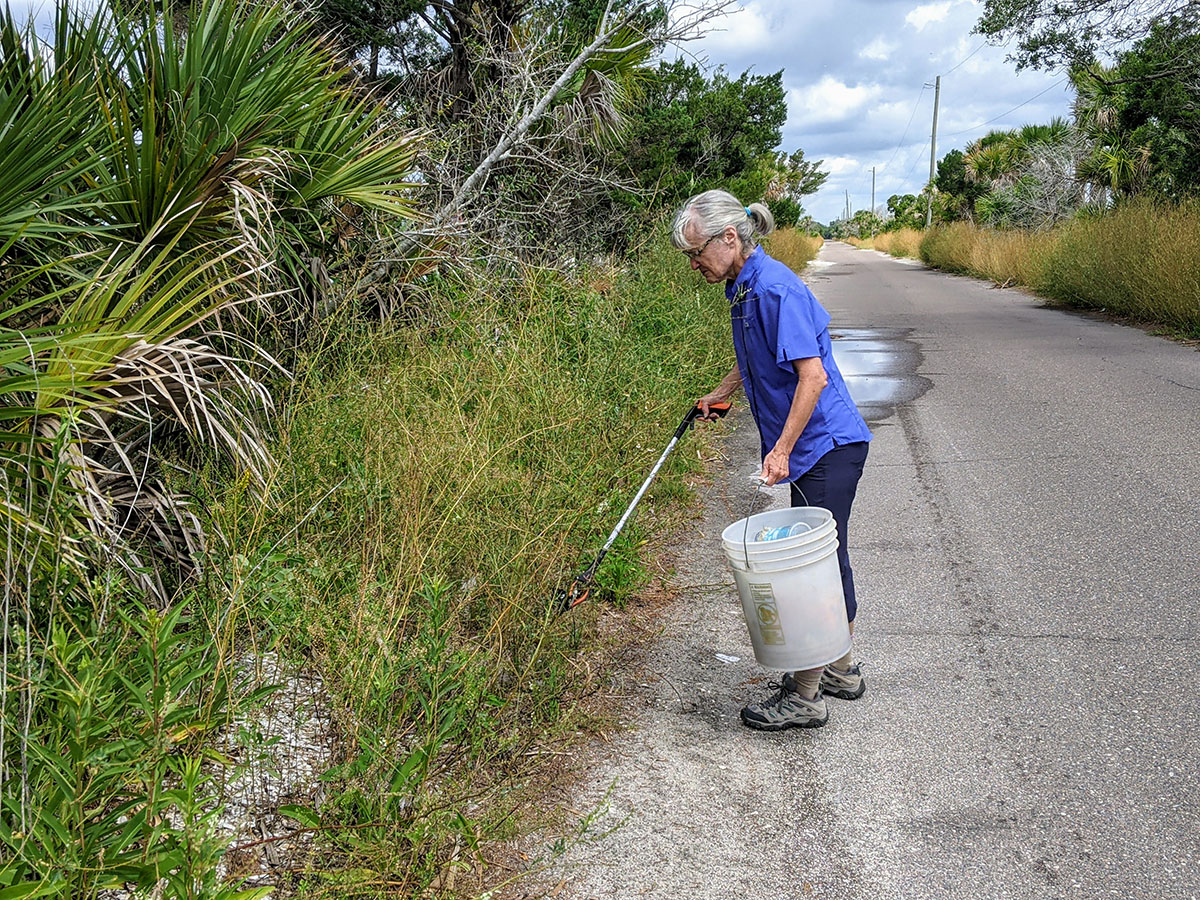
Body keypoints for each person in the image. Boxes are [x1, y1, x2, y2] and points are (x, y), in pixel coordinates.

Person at [672, 189, 872, 731]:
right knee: (825, 557)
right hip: (814, 445)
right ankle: (839, 670)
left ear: (730, 238)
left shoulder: (774, 289)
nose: (694, 265)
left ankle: (807, 695)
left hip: (826, 444)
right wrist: (722, 392)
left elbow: (814, 376)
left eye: (697, 253)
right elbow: (758, 359)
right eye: (689, 256)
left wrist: (781, 449)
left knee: (810, 568)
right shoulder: (744, 288)